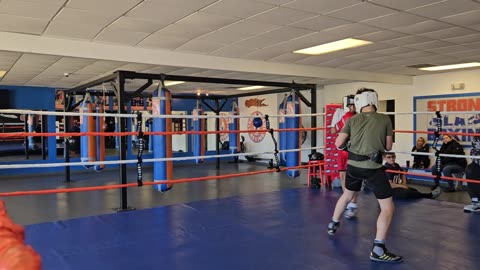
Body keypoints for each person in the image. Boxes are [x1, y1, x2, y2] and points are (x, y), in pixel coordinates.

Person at [327, 88, 403, 263]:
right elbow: (389, 146)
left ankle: (333, 223)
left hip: (353, 166)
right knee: (387, 207)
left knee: (347, 195)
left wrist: (353, 147)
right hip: (373, 168)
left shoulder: (352, 119)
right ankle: (378, 249)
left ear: (359, 102)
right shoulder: (385, 118)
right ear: (374, 100)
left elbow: (338, 143)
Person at [330, 94, 358, 218]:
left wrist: (335, 123)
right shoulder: (346, 116)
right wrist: (335, 122)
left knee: (353, 177)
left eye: (354, 105)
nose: (352, 107)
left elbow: (333, 131)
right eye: (350, 105)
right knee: (342, 176)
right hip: (343, 150)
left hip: (354, 150)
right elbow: (333, 131)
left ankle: (352, 204)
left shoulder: (358, 118)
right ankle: (348, 201)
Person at [464, 136, 480, 213]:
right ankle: (476, 201)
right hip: (478, 162)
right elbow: (475, 151)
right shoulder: (477, 136)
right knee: (469, 170)